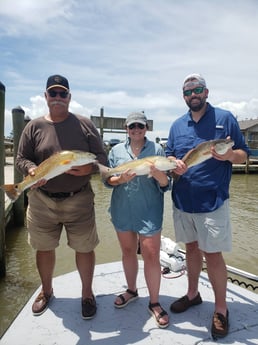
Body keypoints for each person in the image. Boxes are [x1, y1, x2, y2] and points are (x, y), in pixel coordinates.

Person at [15, 74, 107, 319]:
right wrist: (31, 170)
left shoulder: (85, 125)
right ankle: (46, 291)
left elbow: (102, 159)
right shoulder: (33, 126)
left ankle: (87, 294)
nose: (57, 98)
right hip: (41, 200)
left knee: (85, 248)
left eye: (62, 93)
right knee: (43, 249)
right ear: (46, 97)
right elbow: (21, 158)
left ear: (69, 97)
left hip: (79, 199)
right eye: (52, 93)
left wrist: (90, 168)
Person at [165, 74, 249, 339]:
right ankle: (193, 294)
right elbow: (170, 155)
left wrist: (229, 155)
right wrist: (171, 162)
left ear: (207, 92)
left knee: (213, 255)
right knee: (190, 248)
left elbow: (243, 154)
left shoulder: (225, 119)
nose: (194, 94)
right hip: (182, 201)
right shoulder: (177, 125)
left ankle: (221, 309)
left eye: (198, 89)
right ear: (184, 96)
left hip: (212, 202)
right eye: (188, 91)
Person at [104, 112, 170, 329]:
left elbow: (166, 184)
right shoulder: (115, 151)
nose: (136, 130)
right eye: (132, 126)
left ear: (146, 128)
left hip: (149, 210)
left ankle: (154, 302)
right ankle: (131, 290)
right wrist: (119, 179)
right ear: (126, 128)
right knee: (127, 252)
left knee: (151, 255)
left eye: (140, 126)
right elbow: (108, 180)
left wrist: (160, 176)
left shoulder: (158, 151)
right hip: (122, 209)